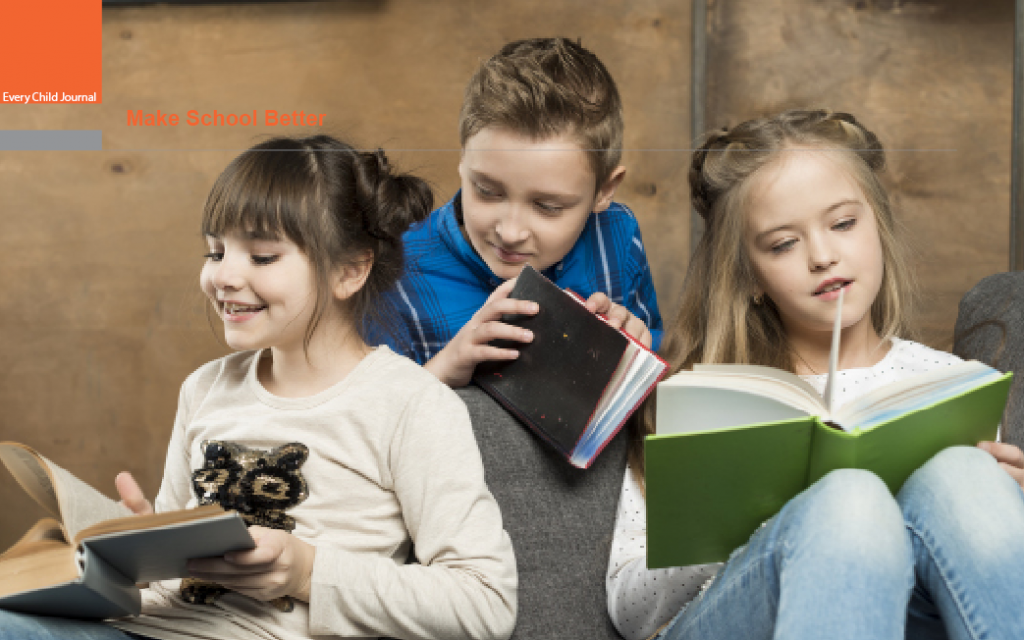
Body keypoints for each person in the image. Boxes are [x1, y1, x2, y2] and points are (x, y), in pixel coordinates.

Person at [0, 136, 516, 640]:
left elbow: (485, 603)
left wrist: (308, 572)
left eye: (262, 257)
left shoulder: (411, 403)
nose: (222, 276)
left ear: (350, 270)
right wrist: (139, 547)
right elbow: (164, 589)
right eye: (215, 251)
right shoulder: (204, 389)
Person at [606, 109, 1024, 640]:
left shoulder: (948, 381)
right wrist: (743, 518)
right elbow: (628, 607)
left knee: (966, 477)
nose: (824, 256)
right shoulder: (706, 397)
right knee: (847, 502)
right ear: (750, 276)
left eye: (844, 224)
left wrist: (1008, 503)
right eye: (783, 244)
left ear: (879, 226)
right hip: (732, 617)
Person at [374, 37, 662, 387]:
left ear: (604, 191)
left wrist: (638, 350)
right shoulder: (397, 270)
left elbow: (658, 356)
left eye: (548, 207)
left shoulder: (618, 235)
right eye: (487, 191)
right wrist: (442, 370)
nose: (510, 232)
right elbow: (360, 424)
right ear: (463, 161)